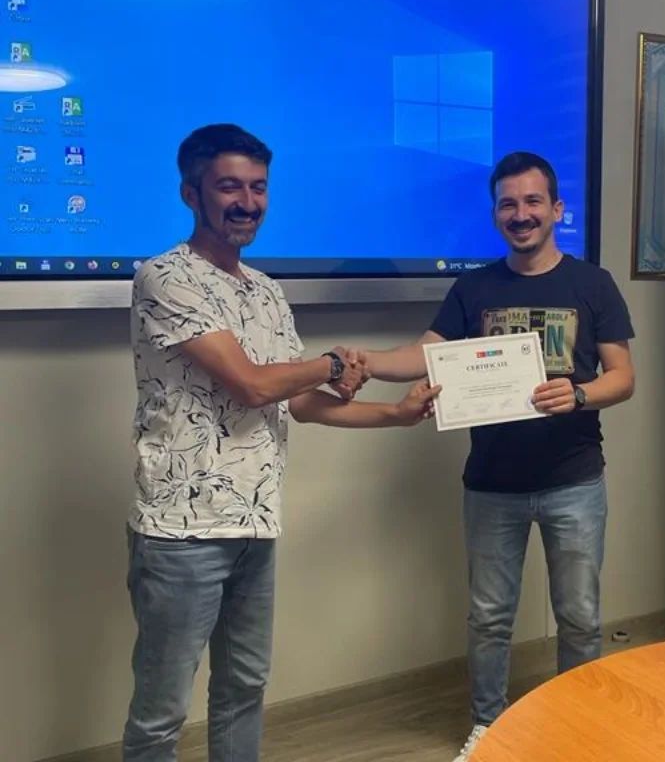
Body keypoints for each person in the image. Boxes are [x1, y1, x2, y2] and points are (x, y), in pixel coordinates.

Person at [124, 123, 438, 761]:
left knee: (244, 688)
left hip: (255, 523)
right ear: (191, 193)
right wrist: (333, 363)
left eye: (258, 188)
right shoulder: (164, 277)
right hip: (182, 532)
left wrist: (397, 414)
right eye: (229, 187)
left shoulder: (267, 291)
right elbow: (251, 384)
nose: (247, 202)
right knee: (162, 712)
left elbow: (297, 402)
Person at [354, 151, 635, 761]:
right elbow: (425, 354)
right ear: (496, 214)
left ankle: (579, 727)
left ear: (557, 209)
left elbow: (623, 377)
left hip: (574, 481)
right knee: (488, 619)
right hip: (491, 484)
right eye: (508, 204)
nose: (521, 214)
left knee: (580, 617)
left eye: (533, 201)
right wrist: (367, 362)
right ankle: (487, 726)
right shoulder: (474, 287)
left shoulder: (593, 284)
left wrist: (579, 393)